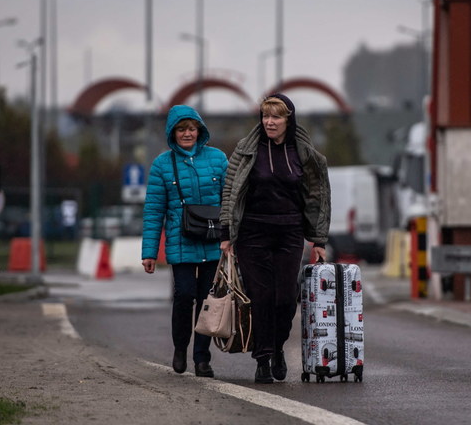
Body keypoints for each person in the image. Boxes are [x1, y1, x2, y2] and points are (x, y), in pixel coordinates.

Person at [219, 93, 331, 383]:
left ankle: (278, 347)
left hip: (289, 232)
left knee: (284, 299)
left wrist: (318, 240)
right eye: (266, 116)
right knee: (261, 297)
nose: (269, 122)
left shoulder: (303, 152)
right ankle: (262, 358)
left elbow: (317, 195)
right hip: (252, 233)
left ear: (288, 120)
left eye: (276, 117)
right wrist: (227, 233)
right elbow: (230, 190)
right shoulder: (246, 150)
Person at [142, 105, 228, 378]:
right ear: (173, 132)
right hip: (181, 243)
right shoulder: (162, 165)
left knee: (207, 301)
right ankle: (180, 347)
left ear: (199, 130)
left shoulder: (218, 159)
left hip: (214, 242)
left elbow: (230, 202)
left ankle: (202, 358)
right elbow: (154, 211)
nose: (187, 134)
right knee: (184, 295)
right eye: (182, 129)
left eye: (192, 128)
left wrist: (232, 239)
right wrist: (150, 252)